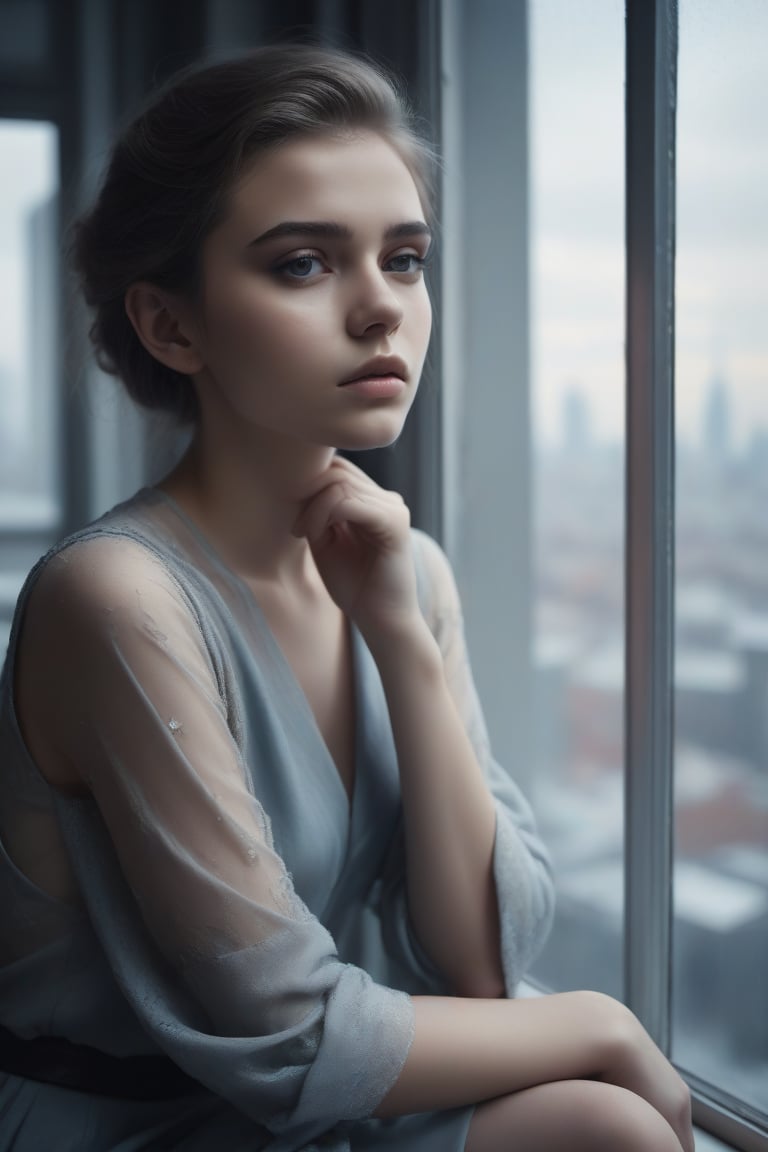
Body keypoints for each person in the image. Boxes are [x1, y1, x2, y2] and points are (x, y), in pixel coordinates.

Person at [0, 44, 693, 1152]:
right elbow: (286, 1036)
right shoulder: (118, 597)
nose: (383, 310)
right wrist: (603, 1023)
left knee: (607, 1128)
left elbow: (477, 966)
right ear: (172, 326)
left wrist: (398, 636)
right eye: (304, 265)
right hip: (134, 1128)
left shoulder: (401, 567)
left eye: (406, 258)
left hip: (307, 1110)